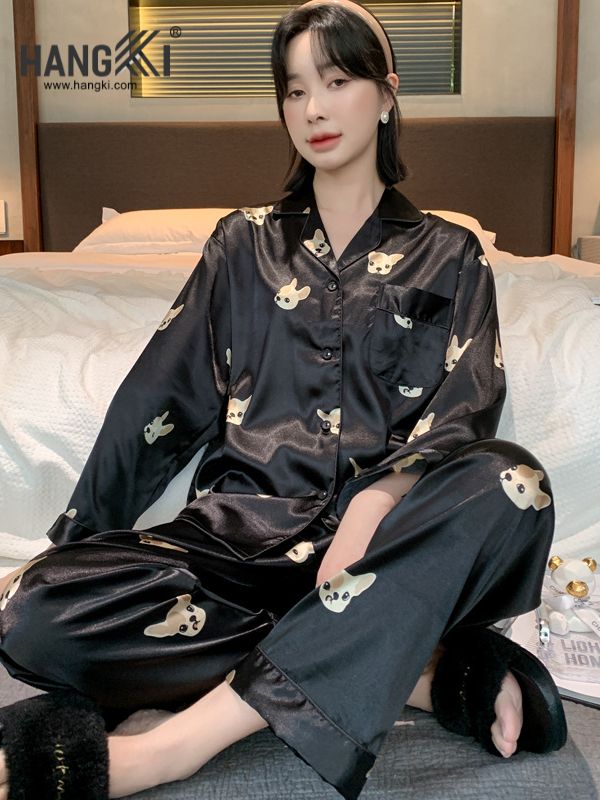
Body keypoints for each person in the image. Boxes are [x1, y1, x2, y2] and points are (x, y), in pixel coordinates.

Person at [0, 1, 567, 799]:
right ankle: (414, 667)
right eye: (295, 90)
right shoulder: (242, 245)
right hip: (237, 549)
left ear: (387, 93)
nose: (313, 110)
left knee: (514, 481)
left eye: (336, 82)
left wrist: (372, 506)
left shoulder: (452, 253)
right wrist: (73, 541)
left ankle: (176, 746)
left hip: (388, 553)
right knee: (35, 614)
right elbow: (159, 401)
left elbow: (467, 408)